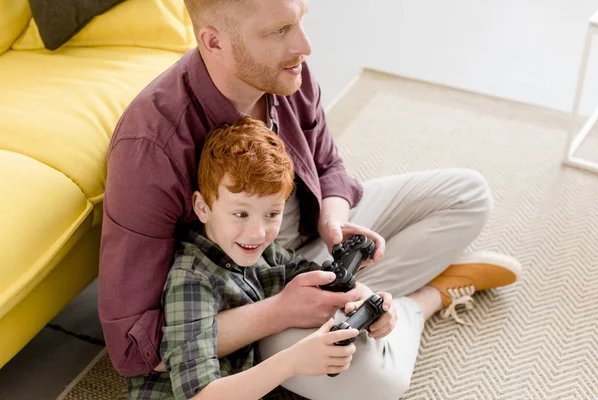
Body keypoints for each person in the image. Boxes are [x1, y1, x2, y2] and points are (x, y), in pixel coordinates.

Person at [98, 0, 521, 398]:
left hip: (304, 251)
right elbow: (134, 346)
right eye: (281, 29)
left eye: (301, 18)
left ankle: (364, 299)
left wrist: (333, 223)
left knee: (469, 195)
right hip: (249, 289)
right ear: (214, 42)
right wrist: (282, 311)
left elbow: (330, 166)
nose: (305, 45)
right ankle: (425, 300)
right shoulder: (149, 146)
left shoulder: (286, 71)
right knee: (374, 384)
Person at [129, 116, 400, 399]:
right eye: (241, 214)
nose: (257, 233)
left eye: (272, 214)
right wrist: (294, 361)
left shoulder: (263, 251)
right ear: (202, 207)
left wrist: (370, 302)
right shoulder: (191, 280)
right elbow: (201, 395)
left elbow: (322, 282)